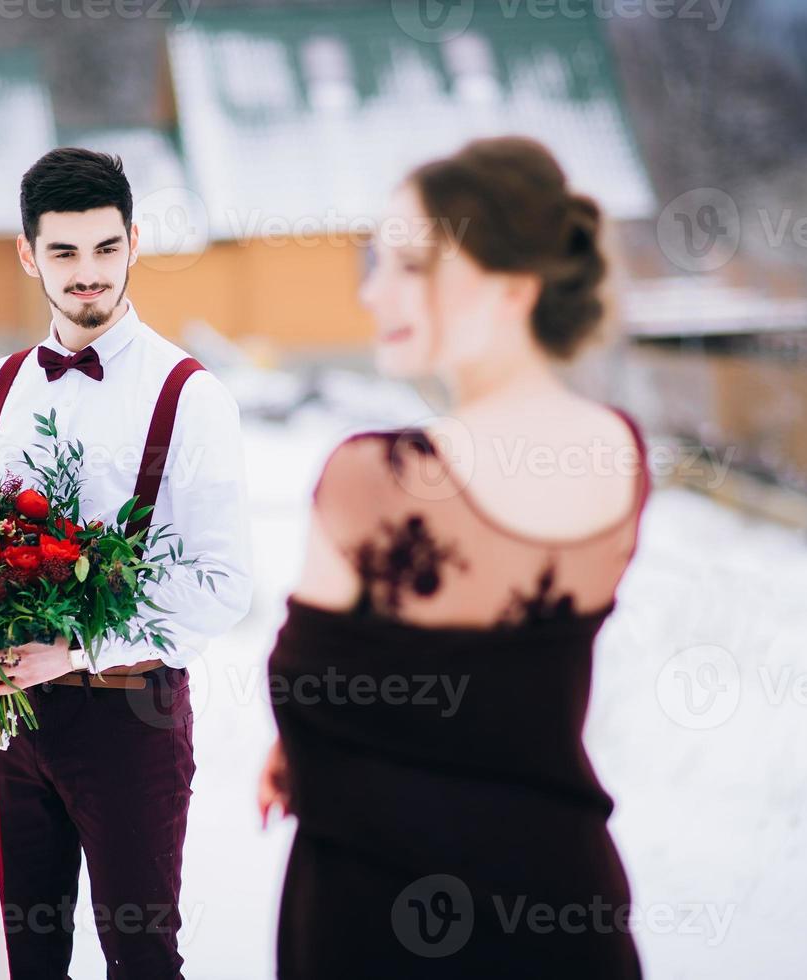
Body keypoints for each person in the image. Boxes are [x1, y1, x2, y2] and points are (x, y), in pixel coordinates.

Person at [258, 136, 649, 978]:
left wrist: (303, 739)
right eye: (377, 261)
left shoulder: (377, 476)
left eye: (412, 263)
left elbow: (313, 696)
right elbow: (497, 696)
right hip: (567, 912)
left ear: (511, 286)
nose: (374, 291)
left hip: (383, 924)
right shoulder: (620, 450)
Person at [0, 147, 254, 979]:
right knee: (25, 959)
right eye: (65, 253)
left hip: (131, 720)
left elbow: (223, 586)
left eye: (106, 249)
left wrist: (76, 651)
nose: (88, 275)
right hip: (13, 724)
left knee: (143, 960)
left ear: (134, 242)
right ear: (26, 252)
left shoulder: (191, 397)